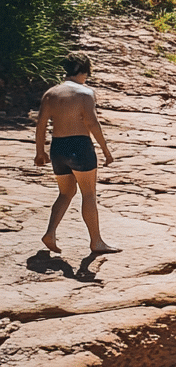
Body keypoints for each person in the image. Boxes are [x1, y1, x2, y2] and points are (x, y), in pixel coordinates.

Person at [34, 51, 120, 255]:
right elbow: (92, 123)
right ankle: (96, 242)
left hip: (58, 147)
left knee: (65, 192)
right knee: (88, 194)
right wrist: (106, 151)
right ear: (83, 71)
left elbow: (41, 125)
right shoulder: (85, 93)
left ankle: (50, 232)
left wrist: (40, 152)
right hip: (79, 146)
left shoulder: (50, 93)